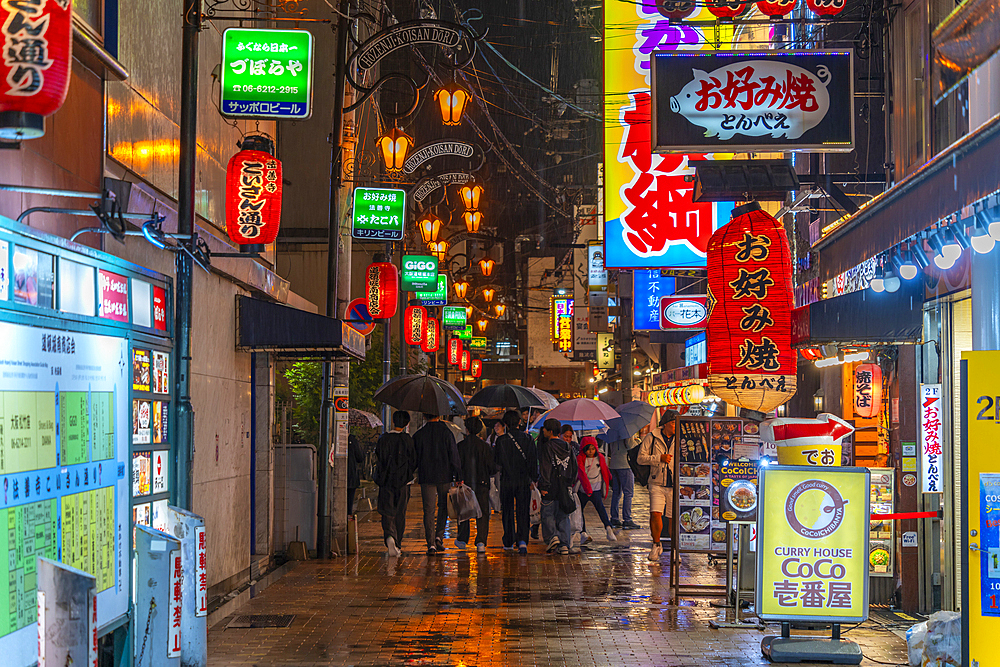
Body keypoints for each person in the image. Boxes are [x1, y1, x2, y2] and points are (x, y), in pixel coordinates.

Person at [413, 413, 462, 555]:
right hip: (444, 475)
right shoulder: (446, 433)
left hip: (426, 475)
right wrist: (458, 475)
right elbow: (454, 455)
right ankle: (439, 536)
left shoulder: (419, 434)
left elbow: (414, 458)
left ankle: (431, 544)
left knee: (428, 510)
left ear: (423, 416)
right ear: (439, 415)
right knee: (443, 506)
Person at [493, 410, 538, 554]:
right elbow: (532, 461)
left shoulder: (501, 440)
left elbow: (497, 462)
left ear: (505, 424)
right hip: (524, 481)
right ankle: (522, 540)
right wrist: (534, 478)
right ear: (520, 421)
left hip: (506, 480)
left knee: (507, 511)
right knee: (522, 510)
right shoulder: (528, 439)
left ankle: (508, 541)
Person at [374, 411, 418, 557]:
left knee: (387, 511)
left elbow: (379, 458)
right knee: (400, 512)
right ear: (406, 424)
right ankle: (397, 542)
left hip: (386, 481)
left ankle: (389, 537)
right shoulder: (408, 440)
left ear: (393, 421)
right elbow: (413, 461)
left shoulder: (384, 439)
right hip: (403, 482)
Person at [637, 410, 678, 562]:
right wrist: (659, 458)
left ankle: (675, 549)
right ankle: (656, 544)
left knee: (673, 517)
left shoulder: (682, 438)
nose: (676, 426)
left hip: (675, 483)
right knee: (655, 513)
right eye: (674, 423)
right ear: (666, 423)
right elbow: (641, 458)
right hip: (656, 481)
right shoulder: (652, 437)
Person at [456, 417, 498, 553]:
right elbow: (492, 467)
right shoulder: (485, 447)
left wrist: (458, 478)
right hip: (482, 483)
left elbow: (456, 466)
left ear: (466, 429)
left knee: (464, 511)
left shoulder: (460, 446)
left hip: (465, 483)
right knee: (483, 513)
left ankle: (462, 539)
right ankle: (481, 541)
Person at [538, 418, 576, 554]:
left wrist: (544, 485)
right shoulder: (567, 446)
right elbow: (574, 467)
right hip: (565, 486)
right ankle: (565, 544)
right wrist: (569, 482)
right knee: (563, 515)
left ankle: (552, 537)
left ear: (549, 431)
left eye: (545, 429)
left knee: (547, 513)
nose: (543, 431)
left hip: (551, 485)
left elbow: (545, 468)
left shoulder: (547, 447)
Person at [576, 436, 617, 543]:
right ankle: (583, 533)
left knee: (601, 509)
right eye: (588, 448)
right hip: (583, 490)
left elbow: (605, 471)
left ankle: (608, 528)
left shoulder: (600, 458)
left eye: (593, 448)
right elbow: (579, 473)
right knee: (579, 512)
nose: (590, 451)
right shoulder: (580, 458)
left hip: (596, 489)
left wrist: (610, 481)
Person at [607, 428, 643, 530]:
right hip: (625, 464)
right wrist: (638, 440)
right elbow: (630, 445)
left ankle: (614, 519)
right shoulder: (627, 429)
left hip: (613, 464)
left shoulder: (611, 429)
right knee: (628, 493)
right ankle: (627, 520)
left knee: (616, 492)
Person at [347, 434, 365, 515]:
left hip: (334, 477)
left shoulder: (331, 437)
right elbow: (360, 457)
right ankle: (348, 521)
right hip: (351, 475)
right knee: (349, 502)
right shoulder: (352, 440)